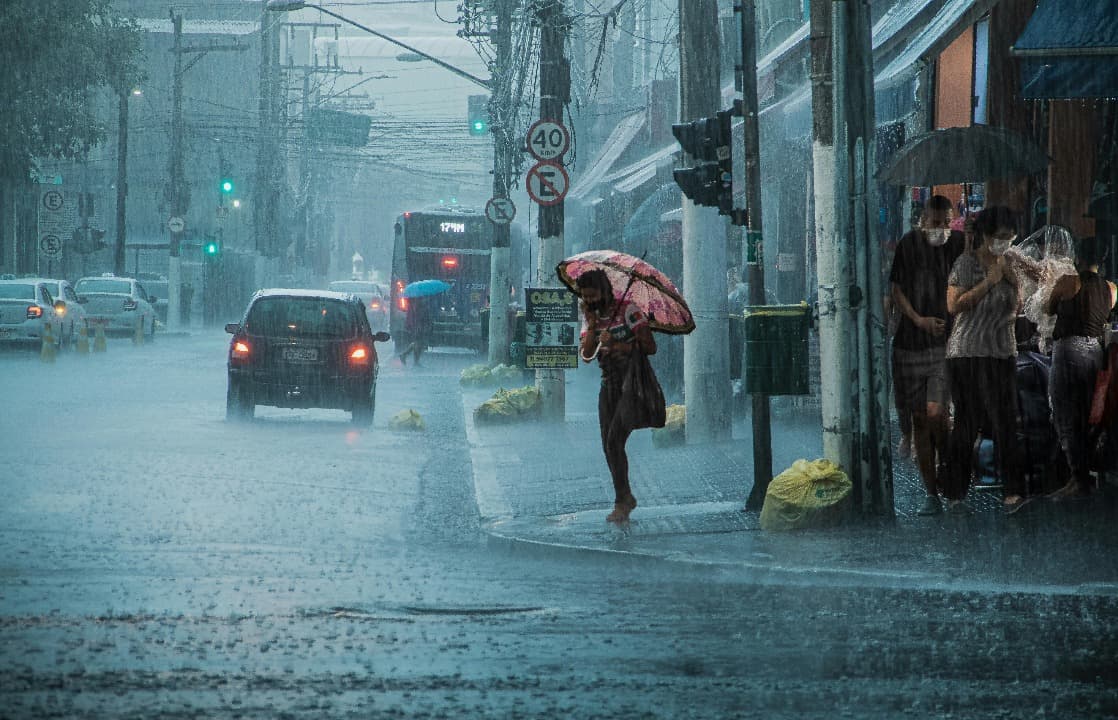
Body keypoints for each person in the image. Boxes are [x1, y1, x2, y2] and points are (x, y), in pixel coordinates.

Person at [943, 205, 1027, 513]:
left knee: (1006, 422)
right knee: (968, 422)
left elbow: (1017, 307)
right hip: (968, 353)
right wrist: (988, 281)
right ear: (986, 235)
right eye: (1000, 236)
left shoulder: (1012, 263)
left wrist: (1012, 280)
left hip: (1002, 351)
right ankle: (955, 491)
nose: (1005, 242)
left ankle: (1014, 491)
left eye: (1010, 236)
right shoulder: (966, 263)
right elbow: (954, 305)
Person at [889, 195, 965, 515]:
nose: (941, 229)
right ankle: (931, 493)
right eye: (935, 223)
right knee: (921, 419)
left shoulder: (960, 243)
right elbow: (895, 289)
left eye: (946, 222)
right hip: (910, 343)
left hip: (945, 345)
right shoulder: (908, 245)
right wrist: (918, 319)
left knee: (938, 413)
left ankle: (952, 479)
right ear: (922, 221)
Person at [576, 269, 659, 524]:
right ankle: (624, 496)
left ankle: (622, 501)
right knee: (608, 446)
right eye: (584, 297)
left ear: (604, 290)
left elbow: (650, 347)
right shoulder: (592, 317)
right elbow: (587, 355)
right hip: (608, 384)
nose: (588, 300)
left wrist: (618, 344)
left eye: (592, 295)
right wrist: (591, 327)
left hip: (630, 384)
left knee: (614, 441)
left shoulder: (628, 311)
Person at [1047, 236, 1118, 498]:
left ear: (1077, 256)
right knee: (1092, 415)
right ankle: (1083, 474)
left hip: (1069, 351)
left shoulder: (1069, 281)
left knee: (1066, 414)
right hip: (1096, 354)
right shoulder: (1112, 288)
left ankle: (1078, 478)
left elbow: (1048, 308)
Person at [399, 295, 433, 366]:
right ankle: (412, 359)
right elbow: (420, 316)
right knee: (418, 343)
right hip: (418, 326)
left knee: (417, 343)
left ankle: (406, 356)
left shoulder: (416, 304)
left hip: (418, 326)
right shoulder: (418, 305)